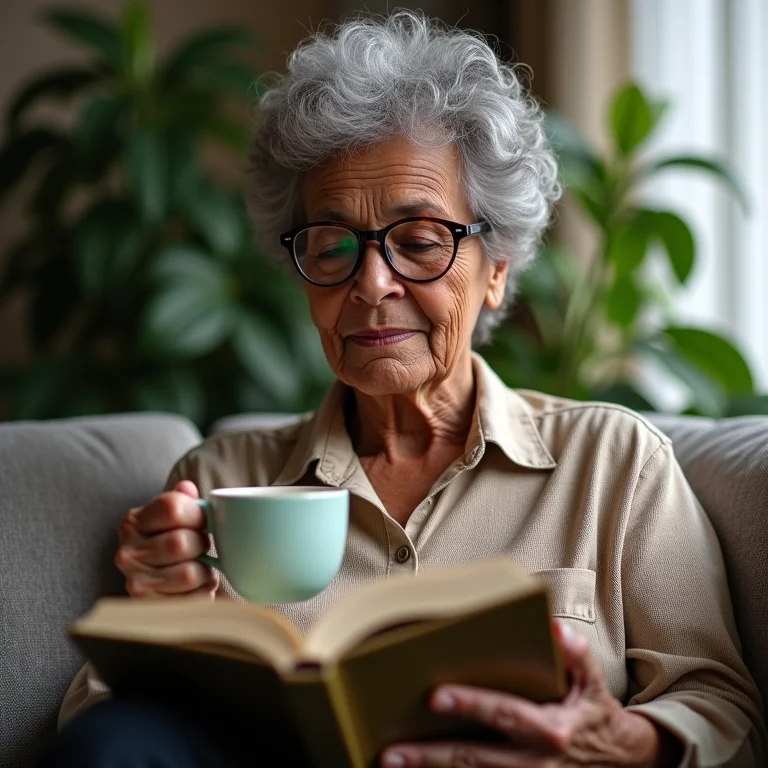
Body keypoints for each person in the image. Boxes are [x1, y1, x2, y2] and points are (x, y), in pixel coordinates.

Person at [41, 11, 764, 768]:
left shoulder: (614, 465)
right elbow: (99, 727)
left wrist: (618, 741)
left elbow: (724, 710)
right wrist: (168, 632)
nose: (371, 283)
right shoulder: (220, 484)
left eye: (419, 242)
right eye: (332, 246)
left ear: (498, 269)